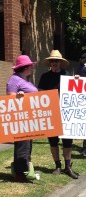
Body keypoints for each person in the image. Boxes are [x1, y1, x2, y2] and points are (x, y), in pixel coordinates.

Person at [38, 50, 78, 179]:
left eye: (57, 61)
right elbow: (40, 93)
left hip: (66, 113)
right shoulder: (44, 77)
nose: (54, 63)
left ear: (60, 62)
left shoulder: (67, 76)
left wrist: (77, 81)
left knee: (67, 142)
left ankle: (68, 166)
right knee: (53, 142)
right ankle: (57, 166)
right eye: (52, 61)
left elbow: (76, 92)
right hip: (51, 113)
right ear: (50, 63)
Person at [6, 55, 38, 183]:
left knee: (27, 145)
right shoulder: (14, 80)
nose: (32, 67)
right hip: (21, 118)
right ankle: (19, 173)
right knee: (22, 145)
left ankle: (24, 170)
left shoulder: (25, 80)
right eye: (31, 65)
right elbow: (10, 98)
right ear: (26, 67)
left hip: (29, 117)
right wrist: (18, 96)